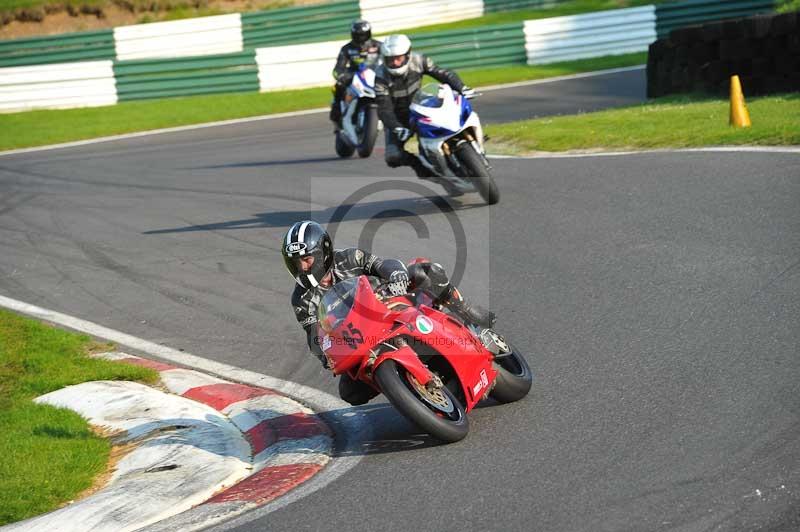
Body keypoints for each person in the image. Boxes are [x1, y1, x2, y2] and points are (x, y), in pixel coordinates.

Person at [282, 220, 496, 406]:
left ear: (322, 253)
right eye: (295, 262)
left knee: (422, 272)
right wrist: (325, 357)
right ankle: (403, 386)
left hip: (390, 303)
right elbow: (314, 336)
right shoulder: (301, 300)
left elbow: (380, 264)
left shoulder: (348, 258)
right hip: (359, 338)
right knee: (350, 392)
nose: (302, 267)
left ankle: (464, 309)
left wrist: (395, 274)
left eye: (306, 259)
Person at [374, 34, 476, 184]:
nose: (395, 63)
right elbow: (383, 107)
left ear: (407, 55)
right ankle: (424, 169)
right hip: (397, 117)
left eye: (399, 58)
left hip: (421, 105)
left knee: (454, 116)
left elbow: (443, 74)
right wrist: (396, 127)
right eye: (390, 59)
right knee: (393, 156)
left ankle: (472, 142)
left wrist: (462, 87)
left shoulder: (419, 60)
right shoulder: (380, 75)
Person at [329, 20, 382, 128]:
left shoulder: (379, 46)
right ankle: (337, 114)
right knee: (338, 86)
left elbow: (387, 62)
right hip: (353, 75)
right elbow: (338, 67)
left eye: (363, 35)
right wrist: (340, 75)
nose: (361, 38)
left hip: (374, 75)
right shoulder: (347, 49)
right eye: (358, 35)